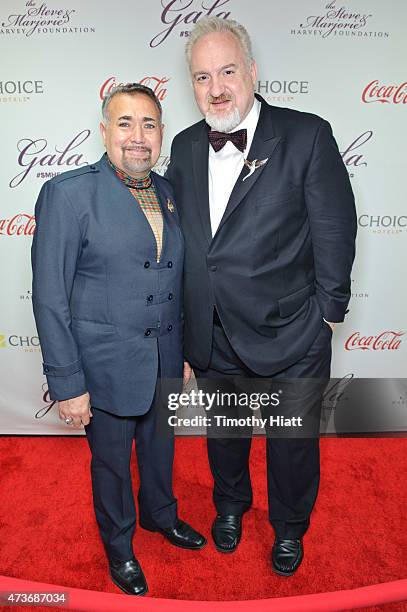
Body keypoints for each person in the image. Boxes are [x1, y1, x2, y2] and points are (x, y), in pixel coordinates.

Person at [166, 17, 357, 576]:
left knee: (291, 444)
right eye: (203, 77)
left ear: (252, 70)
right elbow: (188, 242)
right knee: (224, 434)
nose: (216, 87)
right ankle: (230, 507)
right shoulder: (181, 147)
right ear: (192, 85)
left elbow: (333, 228)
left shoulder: (306, 134)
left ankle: (290, 527)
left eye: (227, 71)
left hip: (293, 329)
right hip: (214, 330)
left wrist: (328, 314)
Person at [31, 83, 206, 597]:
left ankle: (160, 515)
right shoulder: (68, 194)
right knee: (110, 463)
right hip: (102, 363)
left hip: (164, 356)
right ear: (104, 130)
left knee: (160, 449)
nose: (137, 136)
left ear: (161, 134)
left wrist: (184, 353)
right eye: (125, 123)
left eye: (149, 124)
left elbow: (175, 277)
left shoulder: (168, 191)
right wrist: (66, 382)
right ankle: (120, 545)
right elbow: (49, 296)